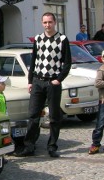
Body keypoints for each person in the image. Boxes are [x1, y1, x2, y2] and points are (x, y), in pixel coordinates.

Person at [16, 12, 71, 158]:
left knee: (54, 116)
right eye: (45, 22)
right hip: (38, 81)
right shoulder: (38, 39)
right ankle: (29, 146)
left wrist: (59, 79)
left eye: (50, 22)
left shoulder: (62, 39)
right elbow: (33, 61)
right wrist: (30, 81)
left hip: (52, 82)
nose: (48, 25)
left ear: (55, 23)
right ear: (42, 23)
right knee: (33, 115)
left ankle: (52, 146)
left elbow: (67, 63)